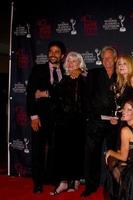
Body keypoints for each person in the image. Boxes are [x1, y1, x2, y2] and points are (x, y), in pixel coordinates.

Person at [26, 40, 66, 193]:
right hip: (40, 118)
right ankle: (37, 182)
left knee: (56, 151)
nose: (53, 54)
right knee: (37, 151)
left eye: (56, 52)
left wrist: (46, 94)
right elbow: (31, 93)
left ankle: (53, 179)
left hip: (59, 120)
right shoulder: (38, 69)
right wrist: (34, 117)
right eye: (51, 51)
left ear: (62, 56)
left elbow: (64, 96)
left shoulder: (67, 71)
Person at [81, 46, 118, 197]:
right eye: (104, 58)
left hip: (114, 123)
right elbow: (86, 97)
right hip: (95, 122)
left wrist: (119, 116)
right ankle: (91, 185)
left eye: (109, 57)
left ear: (115, 59)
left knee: (114, 156)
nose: (106, 60)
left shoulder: (121, 73)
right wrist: (91, 116)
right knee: (92, 155)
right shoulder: (93, 74)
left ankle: (114, 186)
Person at [49, 51, 88, 195]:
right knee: (61, 153)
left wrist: (81, 72)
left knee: (76, 152)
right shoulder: (63, 80)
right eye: (69, 61)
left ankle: (74, 179)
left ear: (80, 64)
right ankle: (63, 182)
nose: (71, 64)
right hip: (62, 123)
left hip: (78, 123)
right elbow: (55, 100)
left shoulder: (84, 79)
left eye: (74, 61)